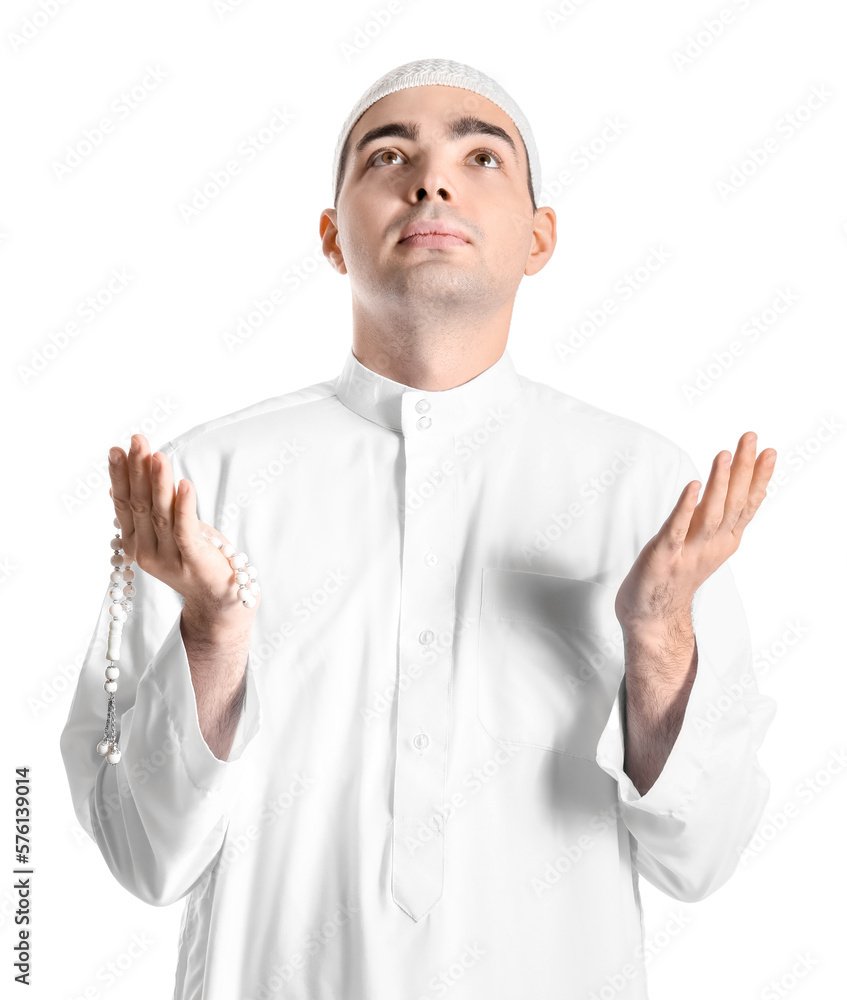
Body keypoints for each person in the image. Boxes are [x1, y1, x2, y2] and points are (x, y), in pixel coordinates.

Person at [60, 57, 778, 999]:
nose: (432, 180)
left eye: (481, 158)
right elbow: (142, 855)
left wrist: (659, 639)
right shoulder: (198, 485)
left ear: (538, 237)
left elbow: (703, 856)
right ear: (331, 237)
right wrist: (209, 636)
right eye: (387, 156)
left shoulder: (644, 487)